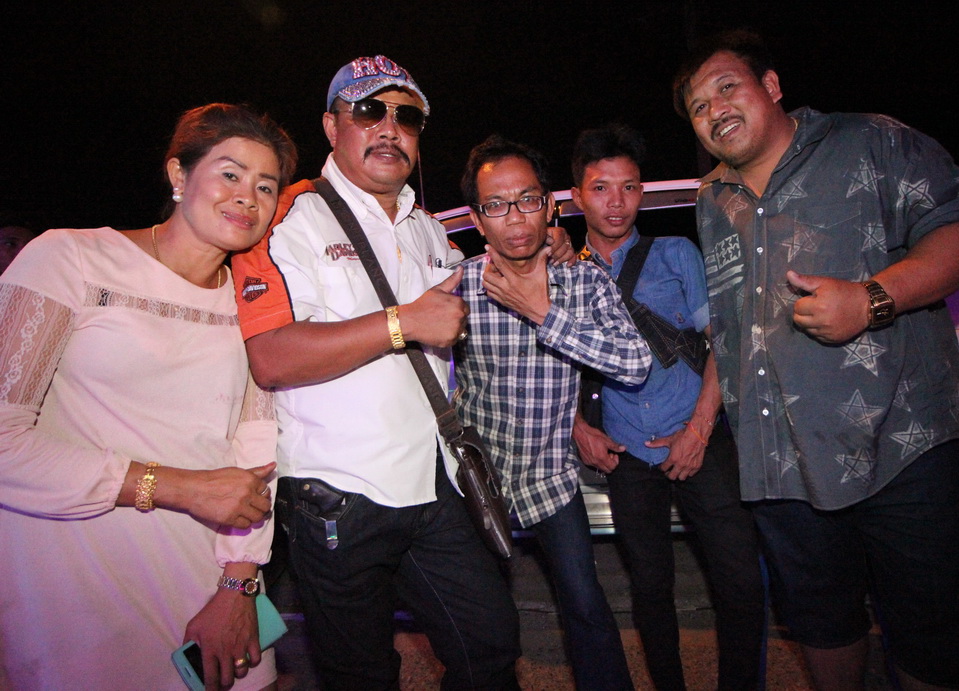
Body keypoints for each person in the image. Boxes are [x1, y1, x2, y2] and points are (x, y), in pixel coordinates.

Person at [231, 56, 578, 690]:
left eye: (407, 117)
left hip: (434, 484)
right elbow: (271, 355)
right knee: (360, 674)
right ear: (332, 126)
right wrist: (403, 323)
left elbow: (484, 281)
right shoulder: (285, 217)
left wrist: (544, 246)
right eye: (370, 111)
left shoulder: (429, 230)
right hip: (337, 496)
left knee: (491, 645)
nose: (390, 128)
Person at [672, 30, 959, 690]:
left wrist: (870, 299)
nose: (714, 109)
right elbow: (733, 327)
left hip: (903, 448)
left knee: (935, 643)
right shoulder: (711, 199)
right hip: (781, 466)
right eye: (699, 106)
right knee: (821, 626)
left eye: (727, 88)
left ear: (771, 86)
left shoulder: (869, 141)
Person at [0, 103, 297, 690]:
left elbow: (256, 453)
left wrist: (239, 584)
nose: (248, 197)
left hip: (212, 575)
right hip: (79, 581)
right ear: (179, 174)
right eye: (230, 174)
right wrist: (180, 487)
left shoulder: (255, 302)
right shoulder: (72, 259)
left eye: (266, 186)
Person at [569, 124, 765, 691]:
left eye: (629, 187)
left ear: (642, 193)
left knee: (740, 580)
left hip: (698, 436)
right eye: (601, 188)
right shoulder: (563, 276)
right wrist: (577, 425)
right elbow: (553, 370)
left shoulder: (676, 253)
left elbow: (723, 343)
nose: (616, 202)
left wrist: (699, 429)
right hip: (627, 451)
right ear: (577, 196)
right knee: (651, 587)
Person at [453, 134, 651, 691]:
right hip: (476, 481)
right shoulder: (458, 285)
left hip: (550, 478)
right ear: (477, 219)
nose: (515, 217)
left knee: (586, 605)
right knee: (481, 623)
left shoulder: (585, 281)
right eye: (496, 205)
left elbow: (635, 364)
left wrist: (544, 314)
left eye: (527, 199)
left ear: (550, 207)